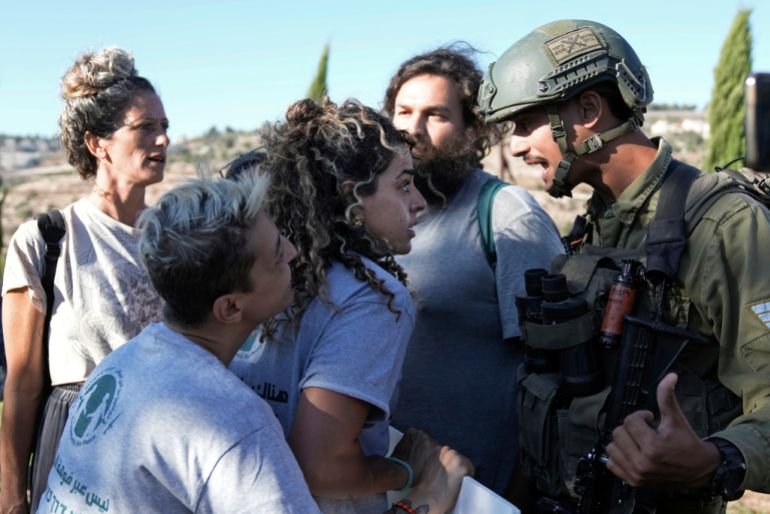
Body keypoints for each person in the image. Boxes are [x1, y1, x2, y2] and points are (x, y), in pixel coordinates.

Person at [38, 173, 472, 514]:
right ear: (229, 308)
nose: (294, 254)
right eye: (275, 256)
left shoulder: (122, 366)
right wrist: (422, 502)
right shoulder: (230, 424)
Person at [478, 19, 770, 512]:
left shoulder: (723, 225)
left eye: (527, 123)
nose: (519, 145)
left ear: (589, 110)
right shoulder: (592, 228)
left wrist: (716, 457)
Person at [229, 98, 433, 514]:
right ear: (352, 197)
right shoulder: (372, 299)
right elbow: (320, 467)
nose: (420, 202)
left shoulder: (271, 275)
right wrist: (407, 471)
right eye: (403, 184)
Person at [381, 45, 564, 494]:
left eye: (436, 115)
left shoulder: (505, 214)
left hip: (476, 488)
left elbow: (552, 369)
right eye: (402, 112)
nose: (412, 129)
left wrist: (520, 489)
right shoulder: (372, 216)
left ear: (472, 128)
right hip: (385, 477)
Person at [0, 47, 167, 513]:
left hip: (163, 448)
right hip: (76, 450)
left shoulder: (179, 240)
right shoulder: (46, 240)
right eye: (145, 127)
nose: (162, 140)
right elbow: (23, 383)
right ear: (98, 143)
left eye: (164, 127)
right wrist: (11, 496)